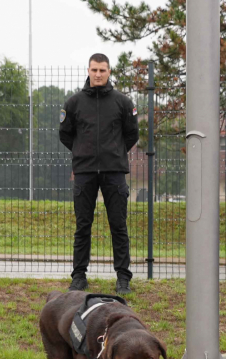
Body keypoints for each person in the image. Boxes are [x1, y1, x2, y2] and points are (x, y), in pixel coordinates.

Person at [59, 53, 139, 295]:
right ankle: (79, 276)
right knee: (83, 225)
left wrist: (114, 153)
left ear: (109, 72)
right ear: (88, 70)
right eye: (94, 70)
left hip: (114, 173)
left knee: (119, 225)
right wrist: (82, 152)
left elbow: (131, 134)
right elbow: (65, 134)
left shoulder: (123, 103)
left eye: (102, 70)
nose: (98, 74)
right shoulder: (73, 103)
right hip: (84, 173)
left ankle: (123, 278)